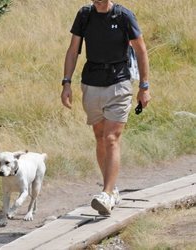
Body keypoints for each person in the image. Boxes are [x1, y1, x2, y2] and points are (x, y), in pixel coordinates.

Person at [61, 0, 151, 215]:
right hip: (91, 83)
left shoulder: (124, 16)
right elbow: (73, 51)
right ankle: (111, 190)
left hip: (119, 83)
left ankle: (107, 193)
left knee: (111, 138)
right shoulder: (84, 15)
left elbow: (141, 51)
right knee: (100, 135)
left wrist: (144, 86)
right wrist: (66, 83)